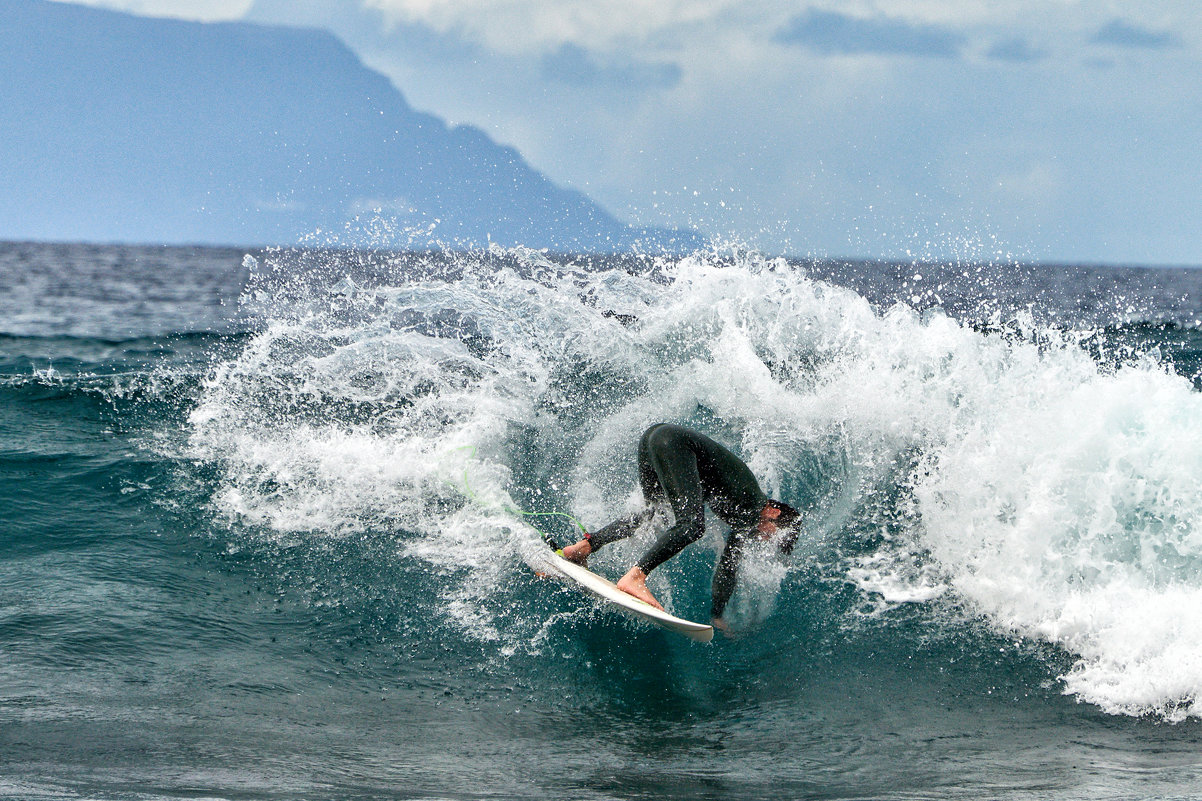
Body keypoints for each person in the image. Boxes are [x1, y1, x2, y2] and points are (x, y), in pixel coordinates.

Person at [561, 423, 800, 632]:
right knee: (692, 526)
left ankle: (585, 547)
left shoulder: (745, 495)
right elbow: (729, 564)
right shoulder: (754, 505)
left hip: (656, 438)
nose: (765, 539)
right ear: (774, 512)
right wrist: (717, 614)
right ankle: (635, 578)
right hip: (673, 444)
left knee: (653, 516)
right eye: (774, 534)